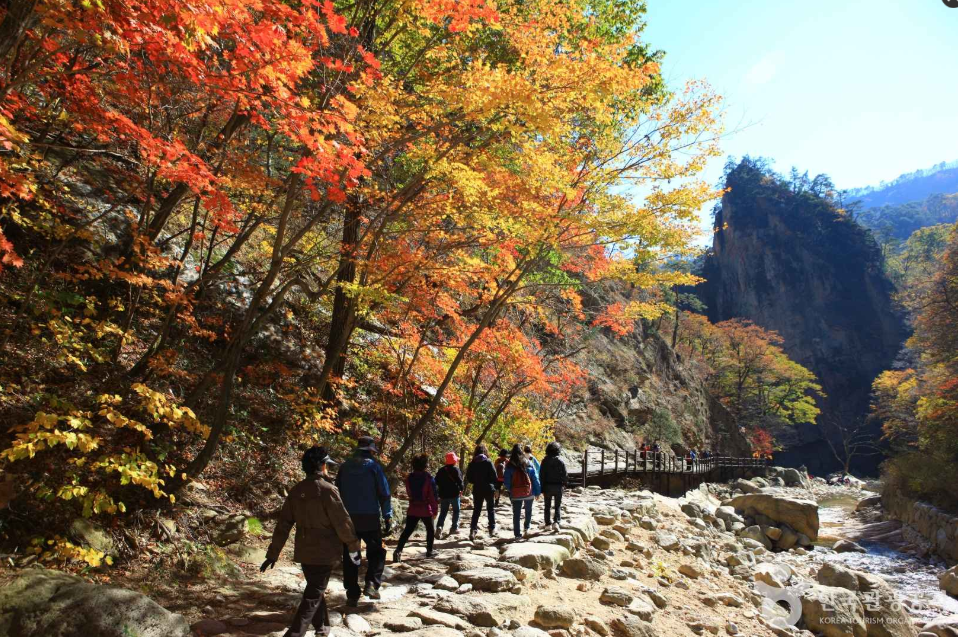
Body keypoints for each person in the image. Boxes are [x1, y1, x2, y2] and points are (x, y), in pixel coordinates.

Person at [261, 447, 362, 637]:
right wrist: (353, 546)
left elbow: (283, 525)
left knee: (316, 588)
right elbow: (342, 522)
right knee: (314, 593)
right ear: (322, 466)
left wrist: (273, 553)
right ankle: (294, 633)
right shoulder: (328, 490)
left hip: (304, 550)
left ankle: (322, 627)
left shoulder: (296, 490)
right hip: (324, 552)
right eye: (327, 465)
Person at [335, 436, 392, 605]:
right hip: (369, 516)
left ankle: (352, 593)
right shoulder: (374, 467)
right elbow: (384, 493)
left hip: (347, 517)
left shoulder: (344, 467)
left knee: (351, 553)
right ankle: (372, 584)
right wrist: (387, 515)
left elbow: (336, 491)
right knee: (377, 551)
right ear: (371, 451)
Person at [393, 454, 438, 562]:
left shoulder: (410, 477)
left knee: (407, 530)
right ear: (425, 465)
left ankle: (398, 551)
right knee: (430, 530)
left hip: (413, 507)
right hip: (425, 509)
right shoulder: (428, 478)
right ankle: (429, 551)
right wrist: (435, 509)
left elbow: (409, 492)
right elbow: (432, 496)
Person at [503, 443, 541, 539]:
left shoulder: (509, 465)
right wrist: (537, 492)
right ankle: (526, 528)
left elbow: (506, 481)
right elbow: (535, 479)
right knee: (528, 511)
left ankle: (517, 535)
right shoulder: (528, 463)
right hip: (529, 492)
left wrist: (511, 489)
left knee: (516, 514)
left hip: (515, 494)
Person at [466, 444, 499, 541]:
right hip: (489, 489)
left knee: (476, 510)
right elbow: (494, 477)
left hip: (477, 489)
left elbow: (469, 478)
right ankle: (492, 529)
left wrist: (476, 481)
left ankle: (473, 530)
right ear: (485, 452)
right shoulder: (488, 462)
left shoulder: (472, 463)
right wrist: (495, 487)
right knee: (490, 509)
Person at [538, 441, 567, 531]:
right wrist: (564, 484)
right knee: (557, 506)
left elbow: (541, 476)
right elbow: (565, 475)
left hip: (547, 487)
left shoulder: (544, 461)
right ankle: (556, 523)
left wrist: (541, 488)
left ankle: (548, 524)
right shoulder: (560, 461)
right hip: (558, 487)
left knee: (547, 506)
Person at [435, 451, 464, 539]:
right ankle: (454, 527)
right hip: (454, 494)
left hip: (443, 495)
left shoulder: (441, 470)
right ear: (455, 461)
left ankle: (439, 527)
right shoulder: (456, 470)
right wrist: (461, 489)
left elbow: (436, 481)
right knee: (456, 510)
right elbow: (460, 482)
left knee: (443, 512)